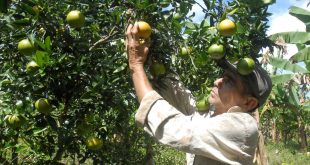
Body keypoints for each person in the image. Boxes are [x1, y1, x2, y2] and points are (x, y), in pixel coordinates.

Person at [125, 22, 272, 165]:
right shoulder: (211, 115)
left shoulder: (242, 127)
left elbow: (176, 127)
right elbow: (180, 95)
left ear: (249, 102)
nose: (217, 81)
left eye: (229, 81)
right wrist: (156, 58)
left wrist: (136, 65)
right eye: (222, 76)